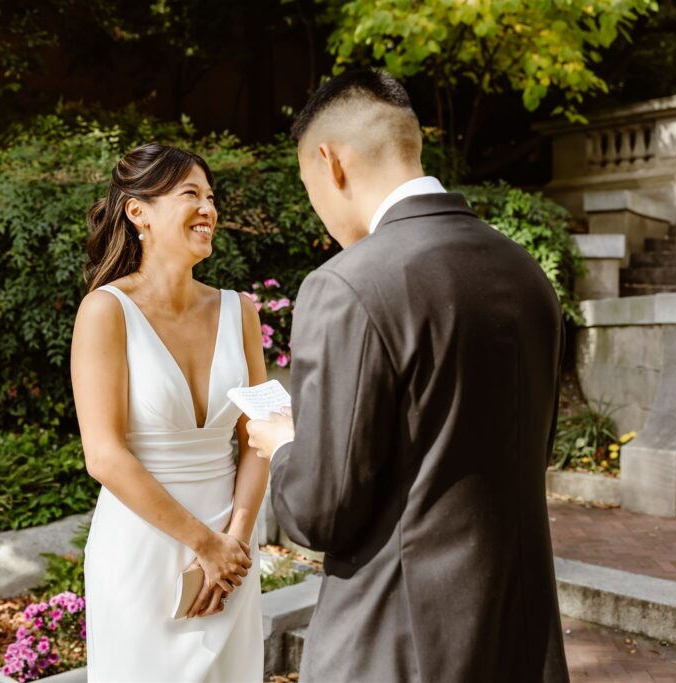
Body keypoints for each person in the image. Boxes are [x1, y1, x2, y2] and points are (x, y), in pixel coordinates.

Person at [247, 69, 570, 682]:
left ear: (330, 162)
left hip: (398, 643)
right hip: (519, 636)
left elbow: (320, 512)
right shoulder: (525, 272)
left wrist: (283, 442)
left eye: (307, 183)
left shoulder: (348, 284)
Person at [70, 143, 269, 682]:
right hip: (144, 551)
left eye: (211, 196)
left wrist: (236, 541)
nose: (208, 208)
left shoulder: (240, 311)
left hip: (233, 551)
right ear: (139, 212)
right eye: (190, 195)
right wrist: (203, 544)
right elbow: (104, 456)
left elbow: (264, 430)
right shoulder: (105, 311)